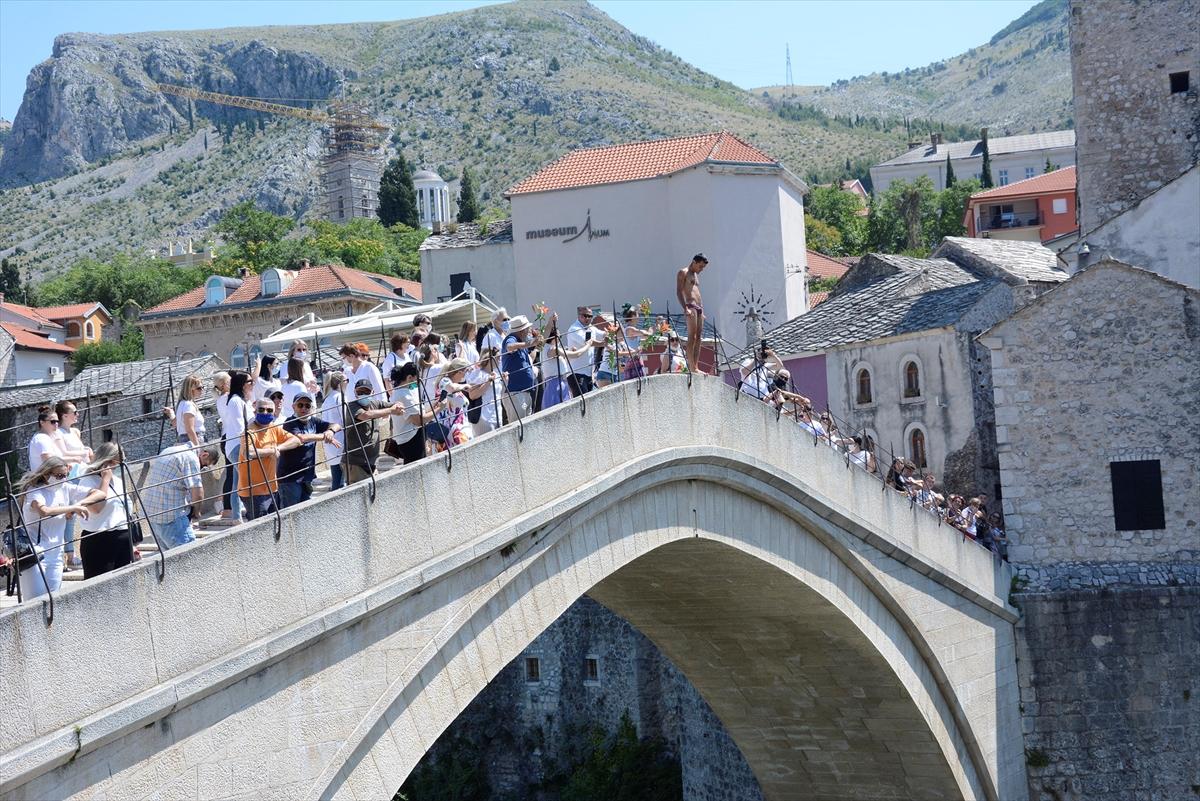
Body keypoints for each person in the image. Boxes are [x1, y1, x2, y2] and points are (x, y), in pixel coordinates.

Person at [18, 456, 105, 600]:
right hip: (35, 554)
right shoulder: (34, 491)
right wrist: (72, 508)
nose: (63, 479)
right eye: (59, 476)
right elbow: (44, 511)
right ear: (46, 475)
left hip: (56, 553)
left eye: (66, 475)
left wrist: (79, 505)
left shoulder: (64, 488)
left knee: (54, 599)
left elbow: (100, 493)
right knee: (34, 602)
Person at [142, 442, 221, 550]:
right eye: (204, 465)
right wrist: (196, 511)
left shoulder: (169, 450)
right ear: (204, 455)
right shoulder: (191, 458)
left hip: (152, 515)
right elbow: (197, 492)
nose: (202, 468)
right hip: (171, 516)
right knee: (189, 557)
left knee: (169, 561)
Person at [76, 443, 137, 578]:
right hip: (99, 541)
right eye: (117, 461)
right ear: (106, 461)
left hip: (123, 537)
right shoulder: (87, 481)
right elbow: (97, 508)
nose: (119, 465)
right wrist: (105, 480)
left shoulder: (118, 481)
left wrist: (132, 545)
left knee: (124, 587)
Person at [239, 398, 299, 519]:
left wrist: (278, 448)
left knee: (275, 522)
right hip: (253, 491)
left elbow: (296, 440)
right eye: (261, 409)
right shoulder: (249, 432)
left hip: (271, 487)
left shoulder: (273, 427)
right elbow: (248, 453)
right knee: (260, 528)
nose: (265, 412)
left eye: (269, 410)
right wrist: (272, 451)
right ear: (255, 411)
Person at [277, 392, 339, 508]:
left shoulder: (314, 421)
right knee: (289, 512)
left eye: (307, 406)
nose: (304, 408)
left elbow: (336, 425)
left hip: (307, 476)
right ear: (293, 407)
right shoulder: (289, 423)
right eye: (300, 405)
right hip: (290, 477)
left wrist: (331, 431)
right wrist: (324, 436)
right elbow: (301, 438)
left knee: (304, 511)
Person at [53, 400, 91, 570]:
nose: (77, 414)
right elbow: (62, 454)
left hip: (83, 474)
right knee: (70, 515)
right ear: (64, 415)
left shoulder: (75, 432)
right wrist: (83, 453)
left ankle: (72, 553)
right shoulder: (59, 433)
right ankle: (69, 554)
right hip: (72, 477)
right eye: (74, 412)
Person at [343, 378, 403, 483]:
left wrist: (398, 405)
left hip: (372, 461)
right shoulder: (352, 406)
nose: (363, 394)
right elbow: (365, 415)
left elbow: (393, 405)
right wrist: (391, 411)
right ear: (355, 392)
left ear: (372, 392)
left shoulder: (375, 403)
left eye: (366, 392)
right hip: (356, 462)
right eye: (360, 392)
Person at [218, 371, 252, 522]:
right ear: (243, 384)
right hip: (238, 445)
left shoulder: (238, 400)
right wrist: (247, 445)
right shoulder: (235, 401)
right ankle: (248, 512)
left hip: (236, 445)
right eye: (250, 381)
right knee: (246, 480)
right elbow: (240, 426)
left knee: (237, 483)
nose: (252, 384)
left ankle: (237, 517)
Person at [389, 363, 430, 464]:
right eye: (416, 380)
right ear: (409, 377)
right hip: (411, 440)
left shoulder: (400, 391)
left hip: (408, 439)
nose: (418, 383)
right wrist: (439, 408)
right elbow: (419, 421)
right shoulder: (404, 395)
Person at [501, 315, 539, 421]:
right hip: (516, 393)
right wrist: (527, 344)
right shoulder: (511, 338)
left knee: (526, 423)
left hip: (524, 392)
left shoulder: (519, 340)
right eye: (527, 329)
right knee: (518, 424)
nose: (528, 331)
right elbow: (509, 347)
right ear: (522, 330)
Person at [675, 253, 708, 374]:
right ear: (694, 262)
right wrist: (685, 308)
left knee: (699, 338)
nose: (701, 269)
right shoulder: (683, 272)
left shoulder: (695, 275)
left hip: (699, 307)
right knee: (692, 337)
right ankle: (691, 367)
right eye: (700, 266)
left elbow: (697, 292)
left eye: (703, 267)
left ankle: (696, 366)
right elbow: (678, 291)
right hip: (690, 305)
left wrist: (702, 310)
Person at [319, 372, 348, 490]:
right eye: (347, 381)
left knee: (337, 476)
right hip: (340, 441)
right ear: (341, 383)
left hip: (331, 443)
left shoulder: (327, 399)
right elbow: (346, 418)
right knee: (340, 480)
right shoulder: (339, 397)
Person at [540, 313, 573, 409]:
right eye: (559, 337)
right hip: (555, 383)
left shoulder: (553, 349)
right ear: (552, 337)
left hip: (562, 381)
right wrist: (587, 345)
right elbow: (576, 355)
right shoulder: (549, 349)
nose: (559, 339)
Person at [564, 306, 599, 394]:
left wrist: (611, 331)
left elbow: (602, 334)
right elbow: (587, 342)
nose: (587, 318)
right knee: (582, 403)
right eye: (584, 315)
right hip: (577, 373)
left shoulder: (591, 328)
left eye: (590, 316)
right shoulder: (574, 329)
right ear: (579, 316)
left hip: (588, 373)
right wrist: (603, 343)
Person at [175, 374, 207, 447]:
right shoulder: (188, 405)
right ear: (190, 389)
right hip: (193, 439)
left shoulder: (182, 403)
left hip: (187, 439)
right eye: (199, 388)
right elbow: (189, 429)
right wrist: (197, 448)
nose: (202, 390)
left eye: (203, 387)